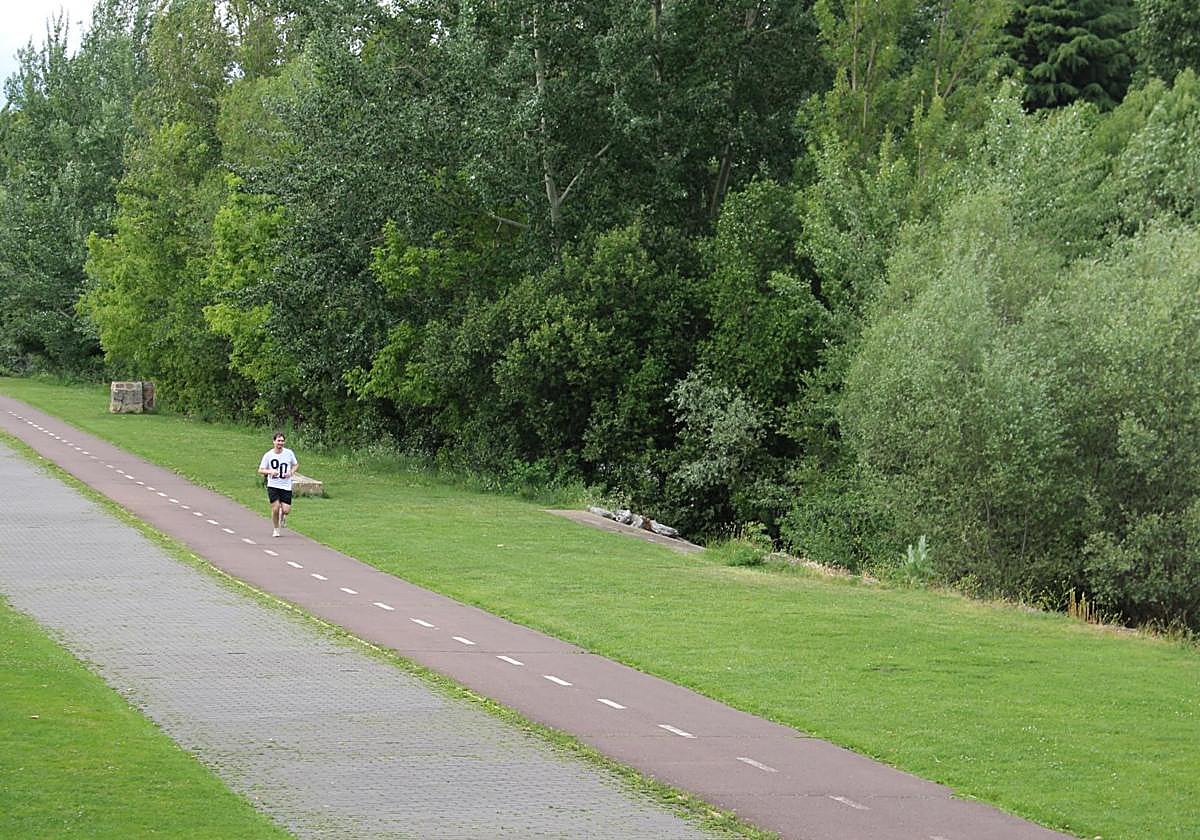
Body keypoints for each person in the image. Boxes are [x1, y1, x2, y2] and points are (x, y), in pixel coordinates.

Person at [257, 432, 298, 538]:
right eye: (278, 440)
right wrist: (270, 472)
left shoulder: (289, 453)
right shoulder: (268, 455)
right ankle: (276, 529)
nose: (280, 443)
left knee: (286, 510)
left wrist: (290, 472)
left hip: (286, 485)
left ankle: (283, 516)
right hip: (273, 485)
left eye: (282, 441)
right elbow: (260, 470)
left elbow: (296, 464)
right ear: (274, 441)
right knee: (275, 508)